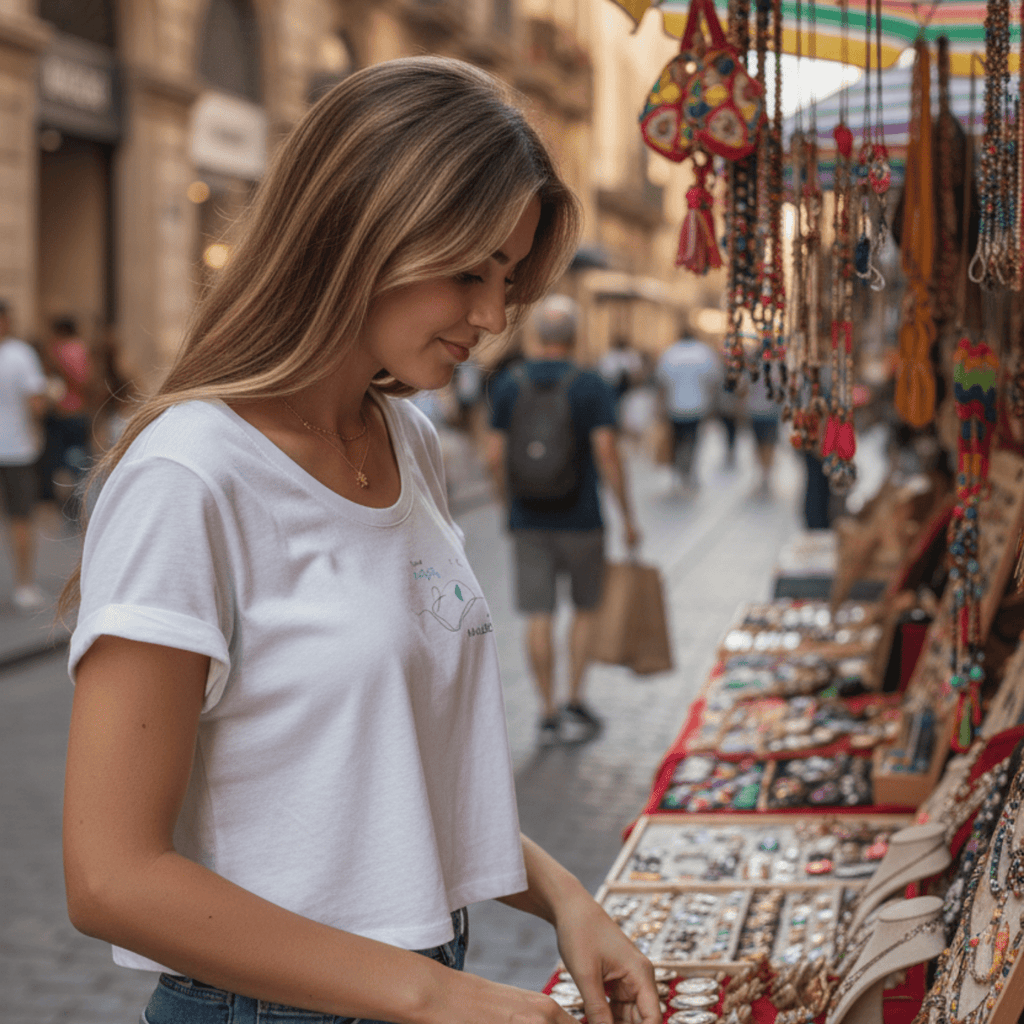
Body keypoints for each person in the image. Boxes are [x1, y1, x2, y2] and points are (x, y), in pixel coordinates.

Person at [60, 57, 658, 1024]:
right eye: (467, 270)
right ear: (357, 231)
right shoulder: (191, 475)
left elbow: (393, 776)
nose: (492, 317)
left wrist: (564, 901)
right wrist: (434, 996)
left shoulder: (405, 440)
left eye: (507, 277)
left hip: (414, 983)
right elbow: (110, 876)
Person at [486, 295, 641, 747]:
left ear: (537, 336)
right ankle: (576, 696)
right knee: (584, 610)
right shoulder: (591, 384)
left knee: (539, 614)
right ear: (575, 336)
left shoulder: (509, 383)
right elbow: (607, 452)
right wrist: (627, 515)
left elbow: (494, 454)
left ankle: (547, 710)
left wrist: (505, 505)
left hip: (528, 519)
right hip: (582, 519)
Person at [0, 301, 49, 612]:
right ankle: (24, 585)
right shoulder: (20, 354)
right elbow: (36, 404)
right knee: (20, 518)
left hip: (16, 448)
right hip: (16, 449)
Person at [40, 315, 93, 509]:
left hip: (68, 412)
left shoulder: (68, 350)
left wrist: (56, 363)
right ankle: (75, 499)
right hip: (73, 412)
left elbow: (80, 382)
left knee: (65, 459)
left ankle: (71, 501)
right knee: (74, 459)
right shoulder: (81, 349)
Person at [656, 334, 721, 490]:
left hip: (674, 406)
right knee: (693, 440)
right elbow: (714, 379)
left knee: (677, 440)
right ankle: (689, 470)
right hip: (697, 405)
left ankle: (679, 471)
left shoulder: (669, 353)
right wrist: (710, 403)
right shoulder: (704, 352)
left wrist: (661, 406)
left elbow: (662, 382)